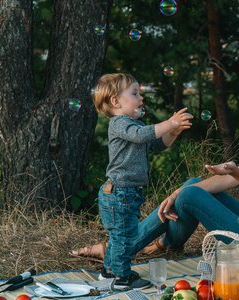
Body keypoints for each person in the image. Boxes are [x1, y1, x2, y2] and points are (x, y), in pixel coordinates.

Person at [73, 57, 239, 266]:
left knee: (191, 195)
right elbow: (237, 173)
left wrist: (235, 174)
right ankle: (165, 244)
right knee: (192, 186)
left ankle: (117, 249)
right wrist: (180, 191)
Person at [77, 73, 193, 290]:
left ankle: (109, 272)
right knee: (125, 236)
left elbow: (156, 144)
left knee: (119, 235)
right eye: (135, 93)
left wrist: (173, 131)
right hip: (120, 193)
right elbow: (142, 135)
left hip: (126, 193)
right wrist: (169, 122)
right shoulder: (120, 123)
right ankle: (122, 278)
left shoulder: (133, 125)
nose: (141, 97)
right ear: (116, 101)